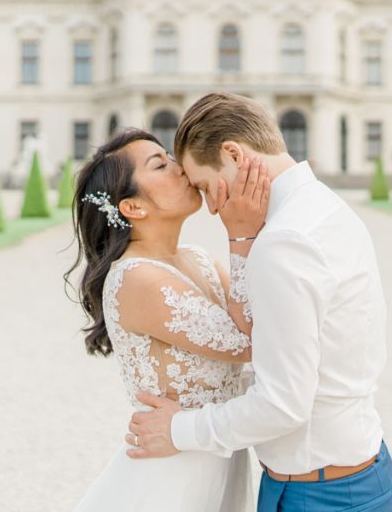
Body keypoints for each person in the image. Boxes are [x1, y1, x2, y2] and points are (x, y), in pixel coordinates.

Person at [126, 92, 392, 512]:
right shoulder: (325, 205)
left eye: (204, 185)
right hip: (363, 462)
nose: (211, 206)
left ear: (233, 154)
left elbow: (282, 405)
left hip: (317, 492)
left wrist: (179, 430)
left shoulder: (283, 241)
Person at [66, 128, 269, 511]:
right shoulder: (137, 278)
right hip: (171, 474)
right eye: (160, 164)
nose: (180, 168)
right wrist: (241, 234)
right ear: (133, 207)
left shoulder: (198, 259)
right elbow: (248, 342)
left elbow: (259, 321)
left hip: (213, 456)